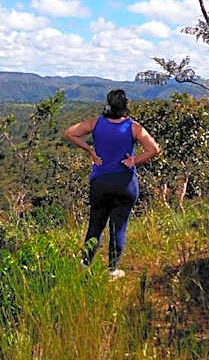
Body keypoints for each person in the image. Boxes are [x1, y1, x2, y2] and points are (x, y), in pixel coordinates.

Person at [64, 89, 160, 280]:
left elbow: (70, 133)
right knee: (119, 227)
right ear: (125, 106)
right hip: (125, 183)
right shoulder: (133, 127)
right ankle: (112, 270)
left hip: (100, 181)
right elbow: (154, 149)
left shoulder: (96, 123)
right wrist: (134, 160)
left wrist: (90, 151)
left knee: (96, 225)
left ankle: (84, 265)